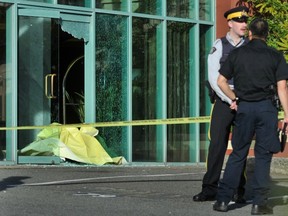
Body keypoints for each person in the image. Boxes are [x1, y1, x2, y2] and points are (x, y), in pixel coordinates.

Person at [214, 18, 288, 215]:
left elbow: (221, 81)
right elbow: (282, 88)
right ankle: (259, 203)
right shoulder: (276, 56)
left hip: (245, 108)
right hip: (266, 109)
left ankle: (222, 200)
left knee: (238, 154)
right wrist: (287, 114)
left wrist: (234, 98)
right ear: (267, 35)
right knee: (263, 156)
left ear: (250, 33)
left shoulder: (237, 54)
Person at [193, 6, 249, 203]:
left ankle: (239, 189)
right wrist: (230, 99)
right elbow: (213, 77)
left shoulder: (250, 46)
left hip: (244, 102)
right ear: (230, 23)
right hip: (225, 102)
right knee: (217, 144)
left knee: (241, 145)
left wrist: (242, 99)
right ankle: (210, 188)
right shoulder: (220, 45)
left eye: (245, 21)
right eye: (240, 21)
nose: (244, 24)